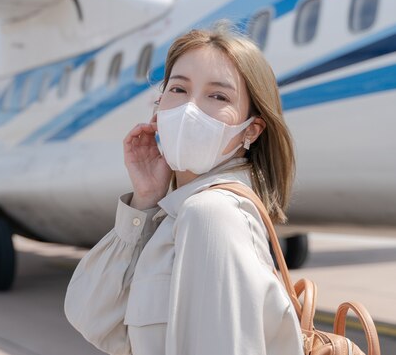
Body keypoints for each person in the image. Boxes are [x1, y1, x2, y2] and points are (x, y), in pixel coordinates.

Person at [64, 25, 304, 355]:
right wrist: (146, 199)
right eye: (178, 89)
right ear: (158, 108)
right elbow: (94, 317)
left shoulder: (210, 213)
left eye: (218, 96)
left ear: (252, 130)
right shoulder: (177, 212)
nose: (190, 108)